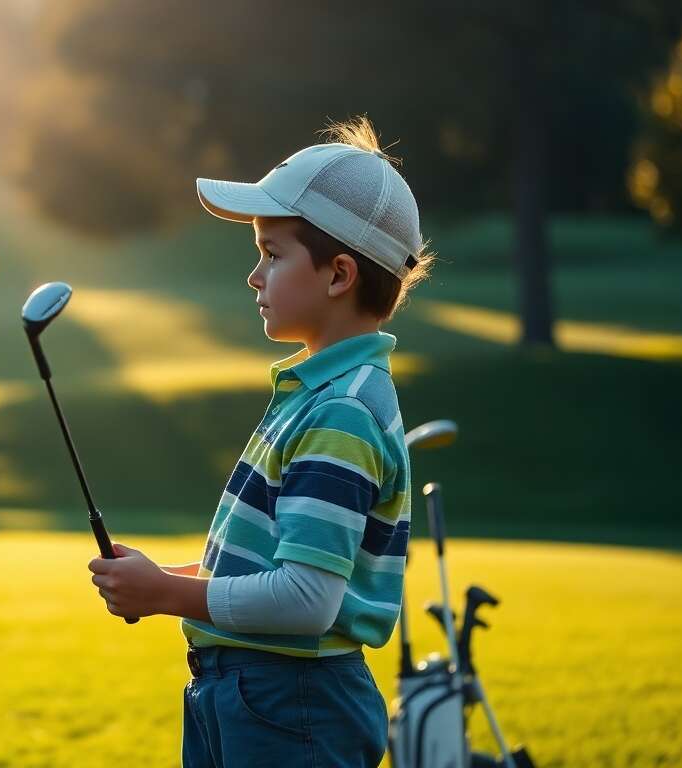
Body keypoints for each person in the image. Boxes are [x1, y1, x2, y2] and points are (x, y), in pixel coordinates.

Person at [88, 117, 435, 767]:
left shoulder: (342, 413)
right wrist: (160, 578)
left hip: (291, 703)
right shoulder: (319, 394)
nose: (254, 276)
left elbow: (306, 599)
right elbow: (274, 572)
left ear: (338, 276)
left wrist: (167, 594)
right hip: (257, 695)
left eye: (272, 256)